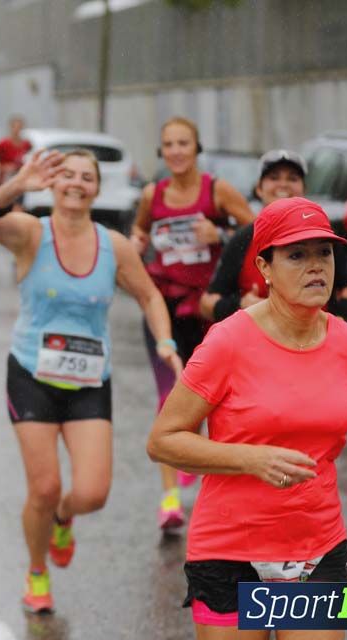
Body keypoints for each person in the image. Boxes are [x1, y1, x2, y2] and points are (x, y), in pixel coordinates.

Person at [147, 196, 347, 640]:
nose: (315, 267)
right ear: (264, 266)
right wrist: (250, 458)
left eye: (323, 253)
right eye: (296, 255)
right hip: (230, 548)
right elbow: (163, 439)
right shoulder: (227, 341)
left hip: (316, 545)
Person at [0, 149, 184, 614]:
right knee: (44, 488)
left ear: (97, 187)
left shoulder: (115, 246)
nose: (75, 183)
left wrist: (166, 342)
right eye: (66, 175)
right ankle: (36, 573)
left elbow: (150, 296)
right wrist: (16, 185)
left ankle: (63, 519)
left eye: (86, 177)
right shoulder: (32, 233)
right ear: (52, 184)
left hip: (90, 379)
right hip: (32, 373)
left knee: (92, 492)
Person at [130, 116, 255, 532]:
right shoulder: (153, 193)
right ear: (162, 152)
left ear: (197, 148)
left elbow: (255, 230)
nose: (177, 151)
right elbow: (139, 231)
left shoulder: (216, 190)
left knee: (208, 398)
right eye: (169, 144)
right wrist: (137, 243)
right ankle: (169, 501)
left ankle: (193, 454)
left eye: (184, 143)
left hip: (205, 311)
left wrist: (218, 232)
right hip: (162, 307)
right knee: (170, 398)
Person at [200, 149, 347, 323]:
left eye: (292, 178)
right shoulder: (243, 239)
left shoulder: (322, 234)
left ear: (304, 189)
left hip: (312, 340)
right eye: (274, 177)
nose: (283, 185)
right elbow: (206, 303)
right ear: (259, 189)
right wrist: (239, 304)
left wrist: (340, 319)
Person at [0, 115, 33, 211]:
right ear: (10, 128)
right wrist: (3, 167)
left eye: (19, 127)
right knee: (1, 210)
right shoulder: (2, 144)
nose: (17, 130)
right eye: (15, 127)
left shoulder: (26, 144)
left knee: (18, 210)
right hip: (3, 182)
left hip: (19, 181)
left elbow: (30, 159)